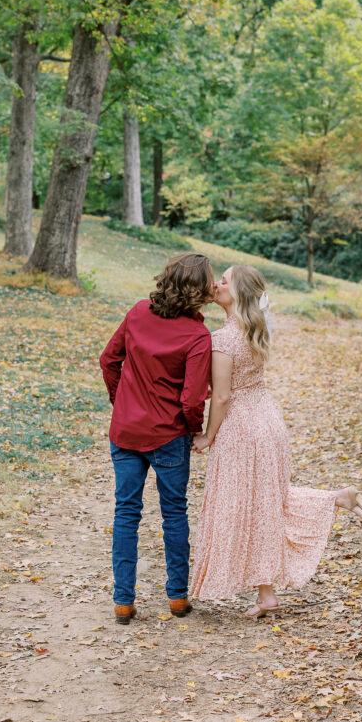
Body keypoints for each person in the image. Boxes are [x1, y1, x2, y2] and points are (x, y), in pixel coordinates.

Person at [189, 264, 362, 619]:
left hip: (243, 428)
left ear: (238, 294)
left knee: (248, 505)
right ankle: (266, 593)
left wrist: (208, 436)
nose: (216, 284)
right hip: (269, 420)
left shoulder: (223, 339)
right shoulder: (254, 329)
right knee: (265, 505)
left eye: (224, 281)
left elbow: (224, 396)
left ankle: (337, 499)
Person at [100, 253, 214, 624]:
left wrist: (122, 401)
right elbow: (193, 398)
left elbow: (108, 360)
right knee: (174, 513)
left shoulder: (137, 312)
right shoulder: (198, 336)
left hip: (127, 431)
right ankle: (177, 598)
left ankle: (123, 602)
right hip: (169, 435)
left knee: (126, 511)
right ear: (199, 291)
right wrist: (194, 427)